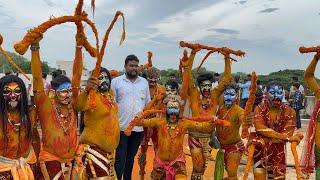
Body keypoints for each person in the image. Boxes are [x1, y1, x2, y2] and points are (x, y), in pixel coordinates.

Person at [124, 94, 229, 180]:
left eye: (176, 108)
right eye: (170, 108)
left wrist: (215, 121)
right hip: (160, 164)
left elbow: (201, 126)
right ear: (166, 109)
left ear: (180, 110)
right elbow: (141, 123)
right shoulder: (159, 122)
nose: (173, 112)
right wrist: (138, 116)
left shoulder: (185, 123)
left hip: (178, 163)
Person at [30, 36, 78, 179]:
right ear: (53, 93)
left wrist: (79, 47)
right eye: (64, 91)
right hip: (51, 162)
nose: (68, 94)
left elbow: (77, 74)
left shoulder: (73, 106)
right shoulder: (46, 108)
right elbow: (37, 78)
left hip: (73, 162)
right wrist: (35, 48)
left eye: (70, 91)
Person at [180, 48, 232, 179]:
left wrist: (226, 57)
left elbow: (226, 79)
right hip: (194, 136)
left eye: (209, 85)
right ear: (199, 87)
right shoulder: (193, 94)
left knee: (202, 168)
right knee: (198, 166)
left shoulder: (215, 94)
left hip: (209, 137)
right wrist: (192, 54)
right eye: (204, 85)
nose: (207, 88)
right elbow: (187, 77)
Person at [247, 81, 298, 179]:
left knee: (279, 177)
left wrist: (269, 136)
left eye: (279, 92)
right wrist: (285, 137)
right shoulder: (259, 108)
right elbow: (260, 128)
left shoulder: (290, 112)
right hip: (260, 150)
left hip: (278, 152)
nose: (276, 96)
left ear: (283, 94)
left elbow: (288, 133)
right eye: (272, 92)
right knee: (259, 174)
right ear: (266, 94)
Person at [74, 67, 119, 178]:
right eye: (100, 78)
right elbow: (77, 106)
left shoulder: (110, 95)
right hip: (94, 150)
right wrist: (87, 90)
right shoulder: (91, 96)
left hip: (110, 154)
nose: (103, 80)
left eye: (106, 77)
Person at [111, 54, 151, 180]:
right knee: (120, 158)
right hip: (121, 128)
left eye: (136, 66)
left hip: (138, 129)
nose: (134, 68)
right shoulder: (116, 82)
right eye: (131, 65)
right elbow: (111, 104)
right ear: (125, 66)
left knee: (130, 158)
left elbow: (147, 104)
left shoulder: (144, 83)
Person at [0, 75, 39, 179]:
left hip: (28, 166)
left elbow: (35, 140)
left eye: (17, 91)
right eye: (7, 91)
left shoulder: (31, 113)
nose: (13, 95)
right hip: (3, 169)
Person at [137, 66, 166, 177]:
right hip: (144, 122)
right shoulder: (142, 88)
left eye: (155, 79)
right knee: (143, 147)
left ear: (158, 78)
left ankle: (156, 172)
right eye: (151, 79)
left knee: (158, 148)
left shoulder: (162, 89)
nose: (153, 82)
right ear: (147, 78)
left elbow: (167, 103)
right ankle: (141, 172)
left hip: (157, 122)